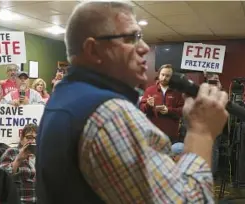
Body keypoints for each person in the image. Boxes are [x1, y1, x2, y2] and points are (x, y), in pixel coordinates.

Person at [36, 1, 228, 203]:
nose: (144, 48)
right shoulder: (109, 114)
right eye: (130, 38)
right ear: (93, 50)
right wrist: (201, 132)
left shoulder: (65, 96)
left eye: (140, 38)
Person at [139, 64, 184, 143]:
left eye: (167, 76)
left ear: (171, 77)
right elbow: (142, 109)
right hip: (153, 133)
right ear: (159, 74)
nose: (164, 78)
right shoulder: (150, 90)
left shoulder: (178, 92)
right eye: (162, 75)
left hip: (171, 135)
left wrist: (169, 111)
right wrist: (148, 105)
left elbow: (182, 111)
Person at [0, 124, 38, 204]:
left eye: (37, 138)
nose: (33, 141)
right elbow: (1, 178)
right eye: (29, 137)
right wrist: (19, 159)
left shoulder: (42, 156)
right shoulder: (12, 152)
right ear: (22, 139)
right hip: (19, 200)